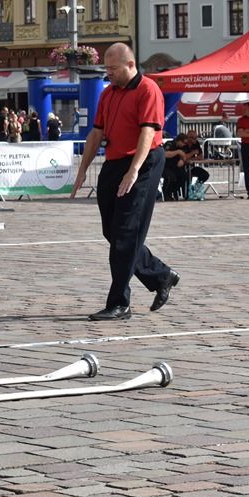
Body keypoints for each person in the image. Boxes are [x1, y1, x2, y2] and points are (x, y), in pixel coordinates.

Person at [70, 43, 179, 321]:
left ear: (130, 65)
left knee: (126, 233)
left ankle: (119, 302)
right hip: (115, 161)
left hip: (144, 161)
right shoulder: (108, 93)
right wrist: (82, 170)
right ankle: (160, 275)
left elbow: (147, 133)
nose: (109, 73)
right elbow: (96, 133)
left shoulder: (148, 89)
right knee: (113, 231)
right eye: (106, 68)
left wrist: (134, 171)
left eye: (113, 68)